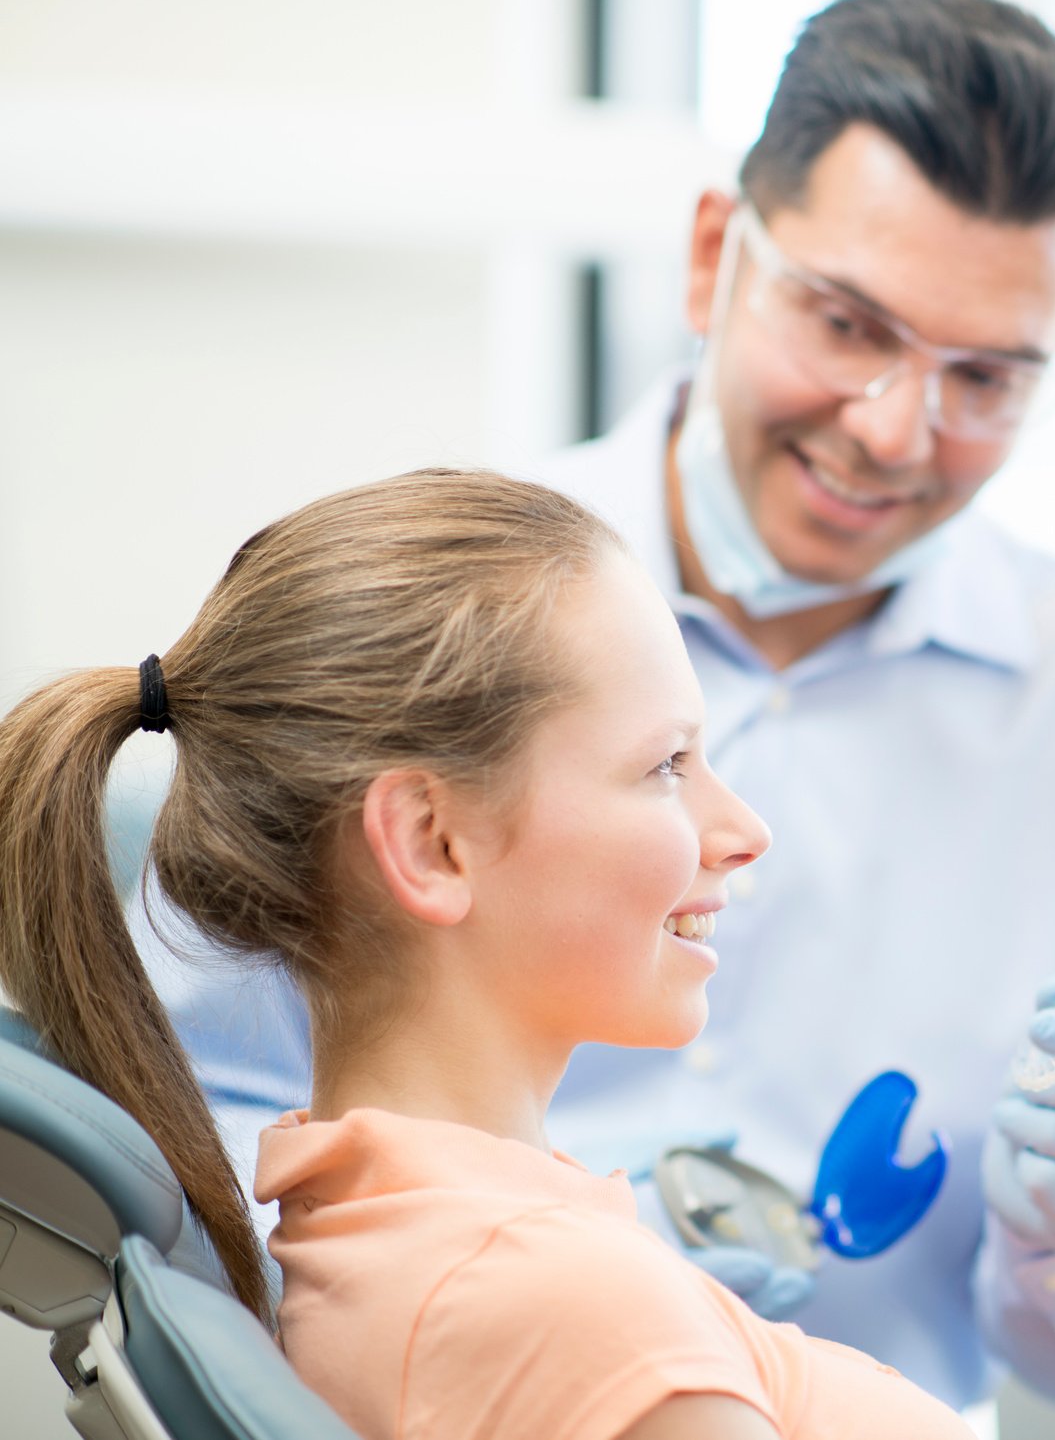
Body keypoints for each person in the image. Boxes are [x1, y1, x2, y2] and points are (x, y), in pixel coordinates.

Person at [166, 0, 1055, 1426]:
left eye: (986, 376)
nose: (892, 427)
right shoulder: (443, 618)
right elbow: (183, 1158)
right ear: (712, 259)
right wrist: (561, 1271)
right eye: (847, 322)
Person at [0, 468, 978, 1439]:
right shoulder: (565, 1306)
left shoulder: (411, 1244)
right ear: (432, 844)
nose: (744, 829)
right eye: (666, 765)